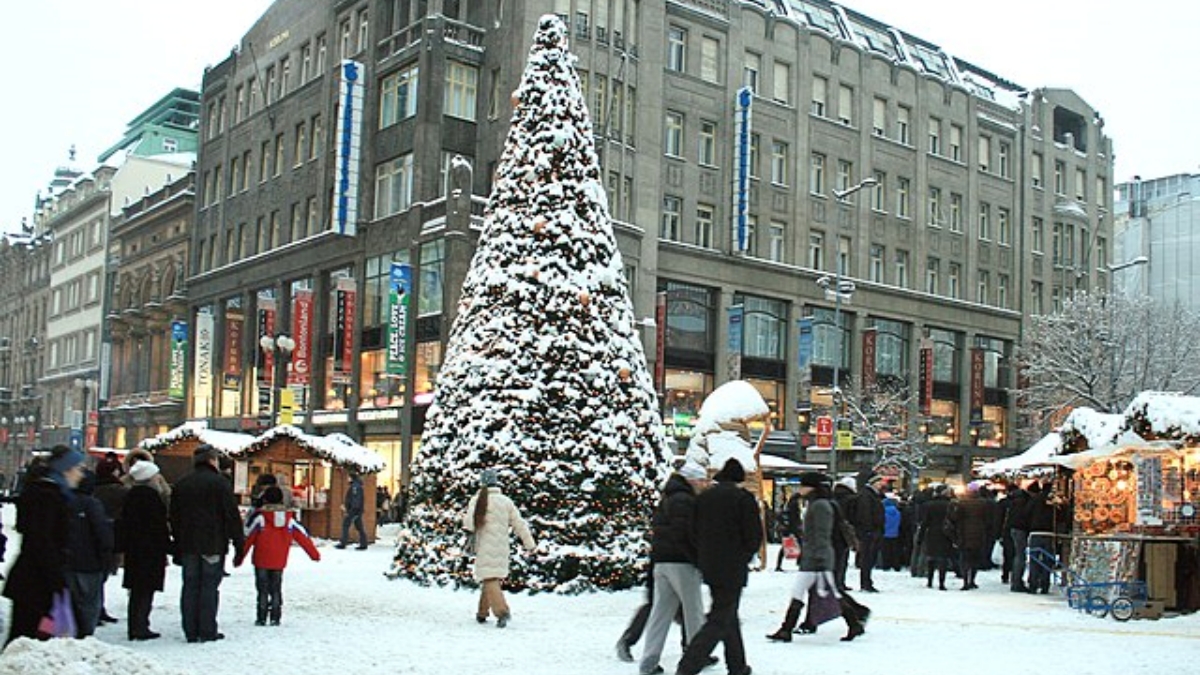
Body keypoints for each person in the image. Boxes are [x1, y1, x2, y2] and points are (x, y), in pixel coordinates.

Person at [674, 458, 761, 675]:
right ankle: (689, 664)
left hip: (709, 565)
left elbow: (691, 532)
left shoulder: (703, 498)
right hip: (733, 566)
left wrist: (702, 556)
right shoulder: (743, 498)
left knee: (728, 614)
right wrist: (744, 556)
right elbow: (753, 535)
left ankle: (737, 665)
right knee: (720, 616)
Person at [766, 471, 871, 644]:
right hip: (814, 556)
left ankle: (853, 622)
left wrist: (820, 558)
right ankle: (787, 629)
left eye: (803, 485)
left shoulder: (820, 506)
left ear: (811, 487)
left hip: (818, 558)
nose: (800, 488)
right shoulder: (817, 503)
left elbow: (822, 534)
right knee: (809, 592)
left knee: (827, 592)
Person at [3, 445, 87, 644]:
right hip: (37, 583)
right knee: (32, 635)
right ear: (66, 469)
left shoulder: (49, 492)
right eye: (79, 468)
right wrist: (56, 579)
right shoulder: (47, 496)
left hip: (38, 581)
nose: (82, 475)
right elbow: (41, 540)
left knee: (37, 633)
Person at [169, 444, 246, 643]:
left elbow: (174, 517)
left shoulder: (182, 484)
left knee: (190, 586)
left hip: (187, 544)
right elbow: (231, 516)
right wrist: (239, 544)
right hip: (213, 543)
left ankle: (190, 630)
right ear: (213, 461)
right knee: (209, 587)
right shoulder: (220, 484)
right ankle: (207, 629)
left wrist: (176, 543)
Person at [639, 461, 708, 675]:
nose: (704, 484)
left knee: (661, 612)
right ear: (692, 480)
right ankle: (696, 656)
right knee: (694, 611)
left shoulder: (667, 498)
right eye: (702, 480)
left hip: (661, 561)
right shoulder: (685, 501)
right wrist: (697, 558)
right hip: (681, 562)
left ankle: (649, 660)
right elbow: (684, 533)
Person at [462, 468, 535, 627]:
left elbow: (468, 524)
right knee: (490, 577)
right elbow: (519, 524)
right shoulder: (505, 501)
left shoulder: (477, 500)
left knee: (489, 578)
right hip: (502, 547)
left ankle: (502, 612)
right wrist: (529, 544)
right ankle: (482, 613)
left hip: (484, 546)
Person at [242, 486, 321, 626]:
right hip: (279, 560)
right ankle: (275, 616)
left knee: (262, 589)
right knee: (276, 588)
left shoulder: (260, 517)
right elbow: (303, 537)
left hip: (261, 559)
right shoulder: (289, 519)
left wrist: (239, 557)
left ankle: (261, 617)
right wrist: (314, 555)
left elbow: (248, 537)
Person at [117, 459, 172, 640]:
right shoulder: (152, 498)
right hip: (150, 551)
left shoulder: (130, 496)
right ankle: (140, 626)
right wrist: (168, 546)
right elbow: (158, 527)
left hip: (134, 550)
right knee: (145, 590)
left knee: (136, 591)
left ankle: (135, 625)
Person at [65, 469, 114, 637]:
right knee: (90, 602)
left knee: (70, 600)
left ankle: (69, 633)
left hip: (66, 560)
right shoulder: (92, 504)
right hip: (90, 562)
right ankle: (85, 635)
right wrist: (106, 555)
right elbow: (103, 534)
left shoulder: (62, 501)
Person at [947, 483, 991, 590]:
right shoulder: (983, 503)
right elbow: (987, 519)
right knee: (975, 559)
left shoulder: (962, 503)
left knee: (965, 559)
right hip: (979, 534)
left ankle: (965, 581)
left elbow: (955, 518)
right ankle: (972, 580)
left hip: (964, 533)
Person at [851, 472, 886, 593]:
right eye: (879, 481)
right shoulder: (867, 496)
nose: (881, 484)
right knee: (867, 557)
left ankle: (867, 581)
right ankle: (865, 583)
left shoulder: (872, 495)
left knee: (869, 557)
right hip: (869, 532)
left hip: (872, 531)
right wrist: (869, 530)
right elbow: (865, 514)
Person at [919, 484, 954, 590]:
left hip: (932, 533)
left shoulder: (929, 505)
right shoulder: (950, 505)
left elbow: (925, 522)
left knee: (931, 558)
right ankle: (941, 583)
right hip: (946, 534)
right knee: (943, 558)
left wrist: (921, 536)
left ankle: (930, 581)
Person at [336, 473, 368, 550]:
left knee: (346, 525)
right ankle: (363, 544)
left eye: (348, 477)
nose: (348, 479)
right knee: (359, 527)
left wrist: (351, 510)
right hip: (356, 510)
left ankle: (343, 543)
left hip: (354, 510)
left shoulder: (355, 487)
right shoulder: (356, 486)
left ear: (352, 478)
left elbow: (355, 500)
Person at [773, 490, 802, 572]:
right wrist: (795, 529)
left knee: (784, 547)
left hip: (788, 528)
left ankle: (779, 565)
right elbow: (794, 519)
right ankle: (799, 563)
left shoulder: (789, 505)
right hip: (792, 529)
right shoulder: (794, 505)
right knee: (800, 545)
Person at [881, 495, 904, 571]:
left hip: (885, 533)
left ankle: (886, 565)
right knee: (895, 551)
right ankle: (896, 565)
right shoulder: (898, 513)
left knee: (886, 551)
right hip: (895, 533)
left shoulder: (883, 513)